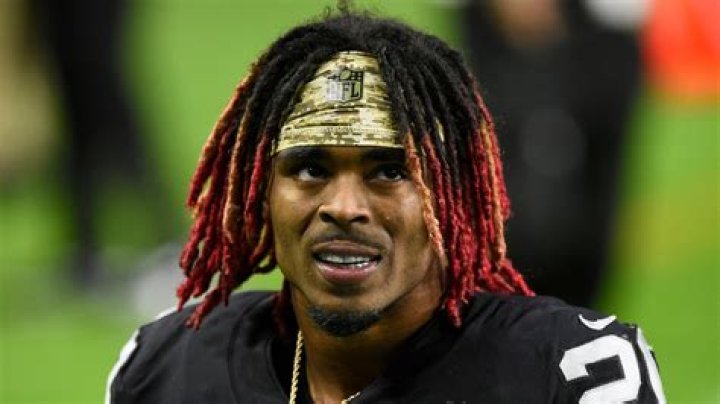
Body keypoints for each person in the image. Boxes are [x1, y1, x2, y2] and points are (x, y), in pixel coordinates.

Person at [106, 10, 665, 404]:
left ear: (449, 197)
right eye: (310, 169)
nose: (344, 207)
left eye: (390, 172)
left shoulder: (571, 373)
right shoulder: (165, 369)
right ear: (258, 196)